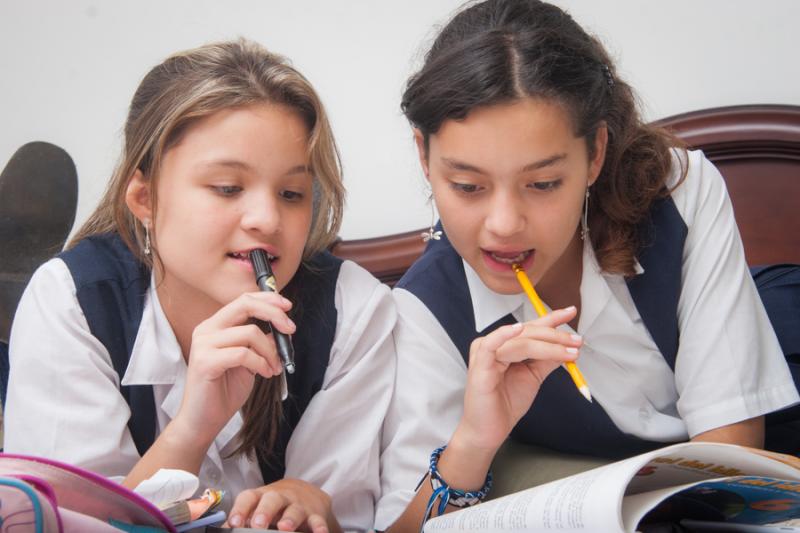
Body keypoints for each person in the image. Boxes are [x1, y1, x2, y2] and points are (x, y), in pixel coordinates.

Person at [375, 0, 800, 530]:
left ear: (595, 153)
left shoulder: (679, 193)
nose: (504, 224)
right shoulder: (427, 307)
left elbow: (731, 465)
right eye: (467, 186)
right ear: (424, 156)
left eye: (543, 183)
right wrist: (473, 442)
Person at [4, 39, 396, 533]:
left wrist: (315, 507)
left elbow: (351, 519)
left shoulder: (353, 310)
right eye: (228, 188)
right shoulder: (72, 300)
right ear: (144, 198)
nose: (267, 219)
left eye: (292, 193)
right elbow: (68, 526)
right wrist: (192, 430)